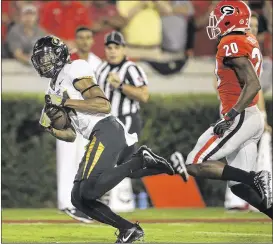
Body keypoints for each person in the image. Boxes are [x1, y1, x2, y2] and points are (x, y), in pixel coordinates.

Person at [31, 35, 175, 243]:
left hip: (106, 129)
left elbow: (103, 105)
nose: (45, 64)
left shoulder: (74, 69)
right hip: (96, 135)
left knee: (89, 190)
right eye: (41, 60)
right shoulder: (51, 88)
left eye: (48, 58)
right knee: (78, 199)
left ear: (60, 54)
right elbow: (71, 135)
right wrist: (51, 129)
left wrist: (66, 102)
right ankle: (128, 229)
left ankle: (140, 159)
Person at [185, 1, 272, 219]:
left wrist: (231, 115)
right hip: (250, 117)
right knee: (238, 186)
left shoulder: (232, 40)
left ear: (231, 17)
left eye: (218, 17)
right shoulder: (248, 38)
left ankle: (257, 178)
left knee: (194, 163)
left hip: (240, 116)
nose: (215, 22)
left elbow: (253, 84)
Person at [96, 31, 189, 183]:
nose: (112, 51)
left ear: (123, 49)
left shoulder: (131, 69)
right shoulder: (100, 69)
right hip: (108, 122)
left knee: (112, 164)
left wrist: (120, 85)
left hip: (126, 120)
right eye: (109, 47)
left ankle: (95, 201)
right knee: (128, 169)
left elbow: (144, 95)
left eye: (116, 47)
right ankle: (171, 163)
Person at [213, 11, 272, 211]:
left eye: (255, 27)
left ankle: (250, 200)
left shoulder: (245, 47)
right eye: (250, 26)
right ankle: (241, 200)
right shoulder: (243, 46)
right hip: (239, 110)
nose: (252, 30)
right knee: (239, 158)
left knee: (251, 159)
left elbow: (254, 87)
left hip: (242, 111)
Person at [57, 27, 101, 223]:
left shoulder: (98, 63)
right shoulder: (67, 62)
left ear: (92, 40)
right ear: (76, 39)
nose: (84, 41)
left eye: (88, 37)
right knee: (66, 159)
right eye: (81, 37)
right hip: (69, 116)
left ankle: (82, 201)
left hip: (90, 118)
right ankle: (65, 202)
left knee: (86, 160)